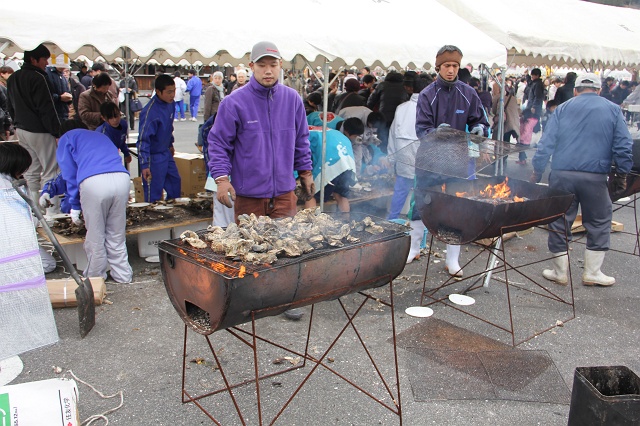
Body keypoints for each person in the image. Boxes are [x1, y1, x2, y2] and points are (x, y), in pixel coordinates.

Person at [208, 41, 314, 320]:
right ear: (251, 66)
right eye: (262, 65)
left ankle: (286, 299)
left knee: (287, 247)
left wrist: (305, 172)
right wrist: (221, 178)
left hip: (283, 191)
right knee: (250, 248)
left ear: (281, 66)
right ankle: (252, 299)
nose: (268, 71)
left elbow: (302, 139)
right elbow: (218, 143)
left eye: (273, 65)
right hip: (249, 193)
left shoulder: (292, 99)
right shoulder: (234, 103)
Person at [530, 73, 632, 287]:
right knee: (599, 221)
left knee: (559, 220)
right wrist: (622, 174)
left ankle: (559, 273)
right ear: (599, 90)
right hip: (594, 177)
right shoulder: (613, 109)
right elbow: (623, 145)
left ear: (576, 90)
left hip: (562, 174)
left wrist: (538, 169)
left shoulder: (563, 109)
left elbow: (546, 143)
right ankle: (592, 273)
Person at [415, 45, 489, 276]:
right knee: (421, 204)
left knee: (456, 208)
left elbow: (482, 122)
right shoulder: (428, 94)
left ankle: (452, 260)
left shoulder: (468, 93)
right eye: (447, 66)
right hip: (429, 160)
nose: (451, 70)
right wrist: (436, 132)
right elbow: (421, 129)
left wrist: (480, 130)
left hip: (457, 160)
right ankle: (414, 248)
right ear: (438, 67)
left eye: (455, 66)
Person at [56, 119, 133, 283]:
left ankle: (95, 278)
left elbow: (69, 175)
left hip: (94, 182)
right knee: (116, 233)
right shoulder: (100, 136)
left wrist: (75, 206)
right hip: (121, 178)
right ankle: (123, 275)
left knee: (96, 234)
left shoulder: (67, 138)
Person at [6, 43, 61, 204]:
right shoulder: (39, 78)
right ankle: (52, 212)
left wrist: (16, 124)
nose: (47, 63)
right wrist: (57, 132)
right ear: (34, 59)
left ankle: (35, 210)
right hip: (40, 130)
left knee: (31, 171)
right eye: (44, 59)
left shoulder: (13, 78)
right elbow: (46, 108)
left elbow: (10, 106)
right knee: (51, 171)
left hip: (21, 129)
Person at [137, 74, 181, 203]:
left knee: (175, 182)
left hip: (165, 152)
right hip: (153, 157)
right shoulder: (150, 112)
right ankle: (154, 217)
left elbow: (169, 127)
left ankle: (173, 215)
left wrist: (170, 144)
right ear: (158, 91)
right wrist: (144, 164)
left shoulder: (171, 104)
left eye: (174, 91)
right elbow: (143, 140)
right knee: (154, 194)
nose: (172, 95)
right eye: (169, 92)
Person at [303, 119, 359, 212]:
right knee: (341, 195)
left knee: (310, 195)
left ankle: (311, 225)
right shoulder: (325, 130)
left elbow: (300, 158)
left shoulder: (300, 134)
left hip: (330, 163)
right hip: (348, 162)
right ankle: (346, 222)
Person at [366, 70, 408, 152]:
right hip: (399, 118)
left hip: (383, 118)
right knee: (396, 141)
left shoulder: (382, 85)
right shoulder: (404, 86)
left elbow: (370, 101)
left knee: (383, 140)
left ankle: (382, 158)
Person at [516, 68, 545, 165]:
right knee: (524, 134)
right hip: (529, 111)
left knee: (524, 135)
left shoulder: (538, 85)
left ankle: (522, 157)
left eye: (533, 75)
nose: (532, 77)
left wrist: (533, 107)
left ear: (536, 75)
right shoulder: (534, 83)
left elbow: (538, 97)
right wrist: (527, 76)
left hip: (531, 112)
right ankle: (522, 157)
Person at [96, 101, 132, 167]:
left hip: (115, 157)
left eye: (116, 116)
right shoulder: (101, 133)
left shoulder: (123, 124)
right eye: (111, 118)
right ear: (103, 118)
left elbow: (122, 141)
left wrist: (126, 153)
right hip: (103, 160)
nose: (115, 120)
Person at [45, 54, 73, 122]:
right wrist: (60, 97)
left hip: (63, 115)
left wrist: (69, 98)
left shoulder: (63, 77)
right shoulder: (47, 74)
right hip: (53, 115)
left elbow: (67, 92)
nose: (64, 69)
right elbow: (45, 95)